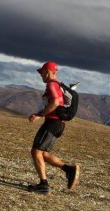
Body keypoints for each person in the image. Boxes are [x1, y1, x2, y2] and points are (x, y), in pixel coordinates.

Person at [27, 61, 81, 194]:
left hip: (52, 123)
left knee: (36, 152)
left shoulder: (52, 84)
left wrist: (39, 114)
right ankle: (69, 169)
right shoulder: (59, 85)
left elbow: (55, 102)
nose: (41, 76)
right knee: (43, 154)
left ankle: (43, 185)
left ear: (49, 72)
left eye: (43, 72)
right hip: (59, 124)